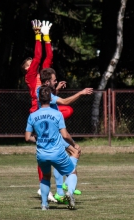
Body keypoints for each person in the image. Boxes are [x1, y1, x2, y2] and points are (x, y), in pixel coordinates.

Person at [21, 19, 82, 203]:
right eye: (29, 63)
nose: (33, 63)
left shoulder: (41, 76)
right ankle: (49, 188)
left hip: (47, 110)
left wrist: (47, 37)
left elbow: (47, 60)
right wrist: (38, 35)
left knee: (67, 111)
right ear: (26, 68)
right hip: (39, 112)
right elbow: (38, 58)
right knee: (45, 151)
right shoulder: (31, 76)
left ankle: (58, 188)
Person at [38, 67, 93, 202]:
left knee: (72, 154)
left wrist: (57, 89)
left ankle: (63, 188)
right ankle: (64, 187)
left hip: (49, 133)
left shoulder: (42, 92)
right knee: (75, 151)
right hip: (55, 132)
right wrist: (81, 93)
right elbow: (63, 102)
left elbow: (50, 100)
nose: (56, 81)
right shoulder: (43, 92)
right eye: (54, 80)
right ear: (46, 82)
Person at [25, 86, 79, 210]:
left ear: (39, 98)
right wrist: (74, 144)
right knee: (72, 172)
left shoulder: (33, 116)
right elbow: (64, 135)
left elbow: (27, 138)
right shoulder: (57, 114)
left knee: (45, 176)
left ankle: (44, 205)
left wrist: (37, 139)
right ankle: (70, 193)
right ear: (51, 99)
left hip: (42, 154)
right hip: (57, 153)